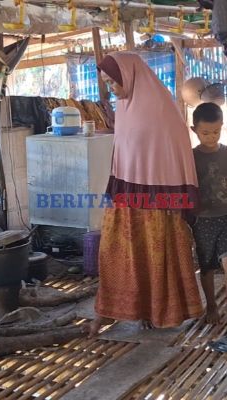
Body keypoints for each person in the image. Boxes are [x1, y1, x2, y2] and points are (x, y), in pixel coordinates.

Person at [87, 52, 204, 336]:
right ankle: (118, 311)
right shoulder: (124, 106)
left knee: (157, 256)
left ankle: (162, 312)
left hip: (159, 202)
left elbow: (175, 152)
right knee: (118, 253)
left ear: (129, 76)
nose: (112, 89)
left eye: (114, 82)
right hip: (126, 196)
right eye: (108, 83)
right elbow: (123, 154)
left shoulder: (160, 108)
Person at [190, 102, 227, 326]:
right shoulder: (190, 157)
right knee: (207, 267)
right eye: (205, 133)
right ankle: (212, 306)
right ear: (194, 130)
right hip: (201, 221)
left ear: (222, 127)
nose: (211, 137)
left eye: (216, 132)